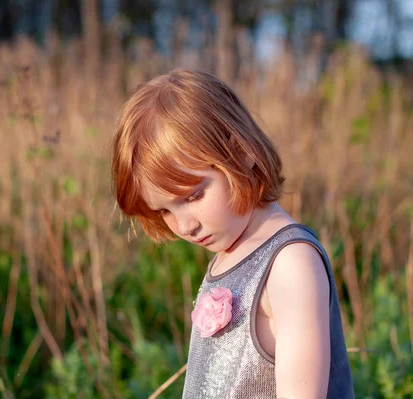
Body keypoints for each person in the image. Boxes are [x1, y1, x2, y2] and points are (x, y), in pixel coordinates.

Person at [111, 69, 354, 398]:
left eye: (194, 196)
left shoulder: (290, 264)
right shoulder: (232, 251)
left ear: (242, 153)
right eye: (165, 210)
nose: (185, 226)